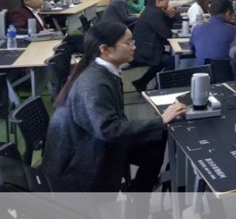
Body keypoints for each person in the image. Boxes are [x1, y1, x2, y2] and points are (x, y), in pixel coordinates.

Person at [43, 21, 187, 193]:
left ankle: (139, 194)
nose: (134, 47)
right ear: (105, 49)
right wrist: (160, 120)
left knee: (155, 143)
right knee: (155, 137)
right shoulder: (93, 83)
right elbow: (108, 130)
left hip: (92, 143)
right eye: (128, 43)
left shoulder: (102, 71)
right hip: (80, 162)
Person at [130, 0, 176, 92]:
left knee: (167, 58)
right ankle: (159, 88)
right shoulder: (155, 14)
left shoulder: (152, 10)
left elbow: (165, 30)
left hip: (146, 49)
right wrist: (169, 17)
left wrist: (169, 17)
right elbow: (167, 34)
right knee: (172, 61)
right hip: (145, 52)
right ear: (158, 2)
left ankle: (141, 82)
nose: (168, 1)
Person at [190, 0, 236, 65]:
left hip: (202, 70)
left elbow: (192, 49)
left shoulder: (197, 29)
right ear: (228, 13)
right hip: (226, 70)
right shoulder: (234, 31)